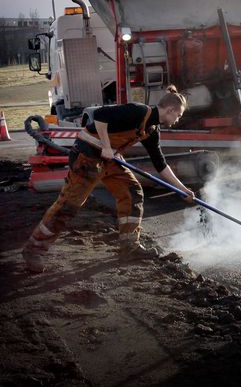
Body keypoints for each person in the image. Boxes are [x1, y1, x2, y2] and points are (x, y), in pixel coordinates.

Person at [22, 85, 195, 273]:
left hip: (109, 160)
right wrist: (106, 146)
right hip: (86, 156)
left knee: (132, 192)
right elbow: (101, 115)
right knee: (69, 205)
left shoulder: (152, 129)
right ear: (170, 110)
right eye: (178, 116)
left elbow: (160, 163)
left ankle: (129, 246)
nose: (177, 120)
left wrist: (182, 189)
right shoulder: (138, 111)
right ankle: (34, 250)